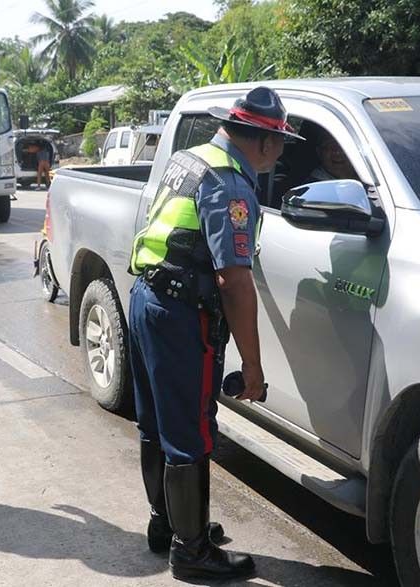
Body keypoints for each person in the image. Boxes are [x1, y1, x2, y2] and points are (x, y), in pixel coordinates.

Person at [128, 87, 302, 582]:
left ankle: (168, 525)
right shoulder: (232, 185)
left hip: (148, 296)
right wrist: (252, 364)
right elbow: (234, 281)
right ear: (265, 142)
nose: (282, 152)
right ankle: (193, 552)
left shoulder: (191, 158)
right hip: (184, 315)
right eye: (282, 143)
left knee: (156, 425)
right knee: (191, 434)